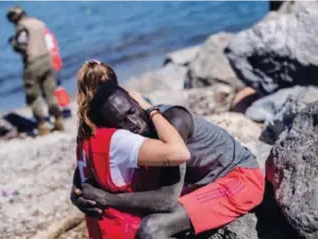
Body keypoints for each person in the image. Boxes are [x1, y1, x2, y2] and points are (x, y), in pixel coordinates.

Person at [71, 60, 265, 238]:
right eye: (122, 122)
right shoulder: (131, 136)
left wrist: (107, 199)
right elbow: (88, 168)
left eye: (132, 112)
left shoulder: (174, 120)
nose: (134, 123)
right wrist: (79, 194)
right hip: (203, 184)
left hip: (239, 178)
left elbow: (167, 200)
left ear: (138, 102)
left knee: (152, 227)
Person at [74, 60, 190, 239]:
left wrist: (76, 195)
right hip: (127, 229)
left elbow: (81, 179)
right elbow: (178, 153)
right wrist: (151, 110)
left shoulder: (85, 136)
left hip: (100, 231)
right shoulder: (117, 139)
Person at [7, 6, 64, 135]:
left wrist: (13, 44)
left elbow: (22, 45)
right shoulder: (38, 22)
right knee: (50, 91)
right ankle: (58, 118)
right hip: (46, 59)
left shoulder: (22, 27)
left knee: (33, 94)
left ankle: (42, 124)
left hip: (33, 62)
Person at [44, 28, 72, 117]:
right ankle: (65, 106)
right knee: (58, 84)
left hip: (49, 60)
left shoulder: (39, 34)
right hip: (56, 58)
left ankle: (61, 108)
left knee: (52, 86)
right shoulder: (47, 32)